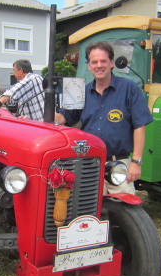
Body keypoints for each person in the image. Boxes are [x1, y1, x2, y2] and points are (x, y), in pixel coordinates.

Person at [54, 41, 152, 194]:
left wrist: (136, 162)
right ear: (89, 66)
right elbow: (63, 118)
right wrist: (40, 115)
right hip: (89, 164)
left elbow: (140, 126)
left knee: (124, 211)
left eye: (103, 61)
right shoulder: (80, 91)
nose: (99, 65)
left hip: (118, 165)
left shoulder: (129, 88)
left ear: (112, 63)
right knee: (88, 209)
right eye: (94, 62)